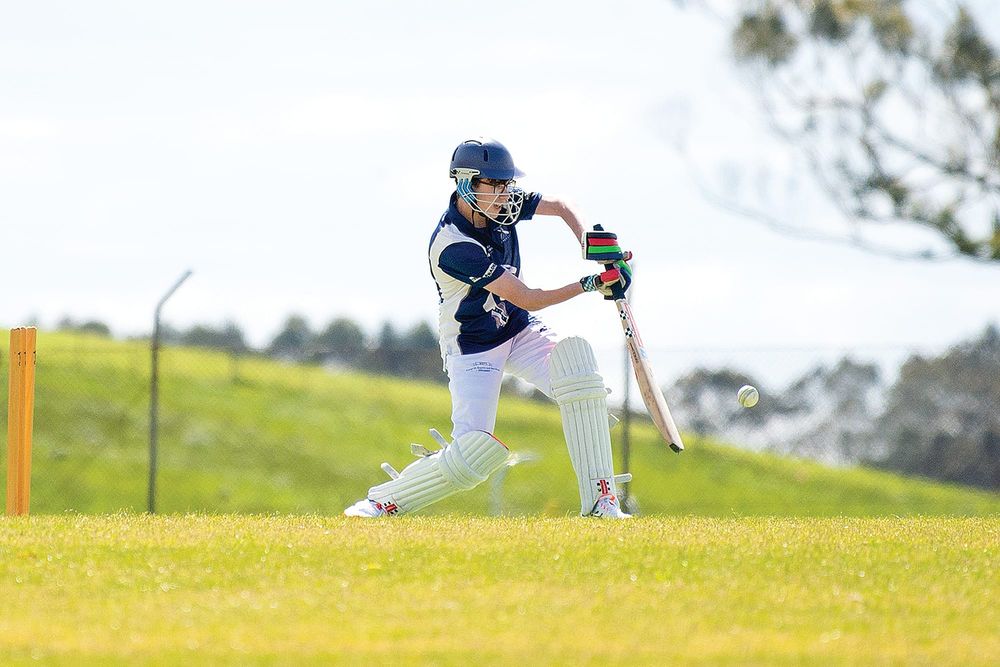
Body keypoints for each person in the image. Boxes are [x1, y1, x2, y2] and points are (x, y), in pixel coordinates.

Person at [344, 137, 633, 519]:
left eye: (506, 184)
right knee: (472, 454)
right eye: (494, 184)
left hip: (517, 330)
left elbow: (562, 205)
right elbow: (527, 297)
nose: (504, 194)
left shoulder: (500, 206)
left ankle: (601, 503)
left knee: (578, 375)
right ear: (466, 184)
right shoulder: (453, 245)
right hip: (473, 346)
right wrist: (591, 284)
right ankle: (380, 502)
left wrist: (587, 241)